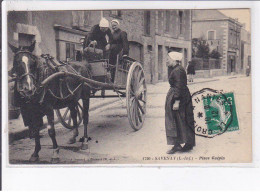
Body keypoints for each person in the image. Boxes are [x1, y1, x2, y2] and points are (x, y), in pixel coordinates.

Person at [165, 51, 195, 154]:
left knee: (178, 120)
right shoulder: (176, 69)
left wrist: (176, 101)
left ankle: (181, 144)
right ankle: (183, 144)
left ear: (174, 60)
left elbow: (179, 86)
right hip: (180, 96)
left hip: (180, 98)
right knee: (180, 120)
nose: (166, 60)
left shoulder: (178, 70)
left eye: (168, 59)